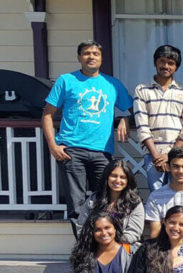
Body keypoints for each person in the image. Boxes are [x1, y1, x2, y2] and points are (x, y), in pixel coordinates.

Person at [42, 40, 132, 231]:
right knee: (77, 206)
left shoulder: (112, 83)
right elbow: (47, 115)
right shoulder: (66, 80)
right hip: (71, 150)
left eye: (95, 53)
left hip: (102, 152)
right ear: (79, 57)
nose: (91, 57)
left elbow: (131, 108)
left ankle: (103, 245)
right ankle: (83, 248)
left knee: (106, 201)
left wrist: (125, 118)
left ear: (101, 58)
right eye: (86, 53)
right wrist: (52, 145)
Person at [133, 45, 183, 192]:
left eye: (171, 63)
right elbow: (142, 125)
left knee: (178, 195)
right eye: (162, 61)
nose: (166, 66)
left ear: (176, 67)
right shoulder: (142, 90)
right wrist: (156, 155)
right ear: (155, 62)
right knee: (157, 196)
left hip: (178, 155)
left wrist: (170, 155)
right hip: (153, 155)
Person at [76, 160, 144, 245]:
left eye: (122, 177)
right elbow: (81, 227)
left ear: (128, 180)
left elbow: (133, 233)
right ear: (107, 177)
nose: (118, 180)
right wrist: (97, 243)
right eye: (114, 176)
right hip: (95, 246)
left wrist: (111, 245)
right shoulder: (93, 199)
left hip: (124, 246)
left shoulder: (134, 202)